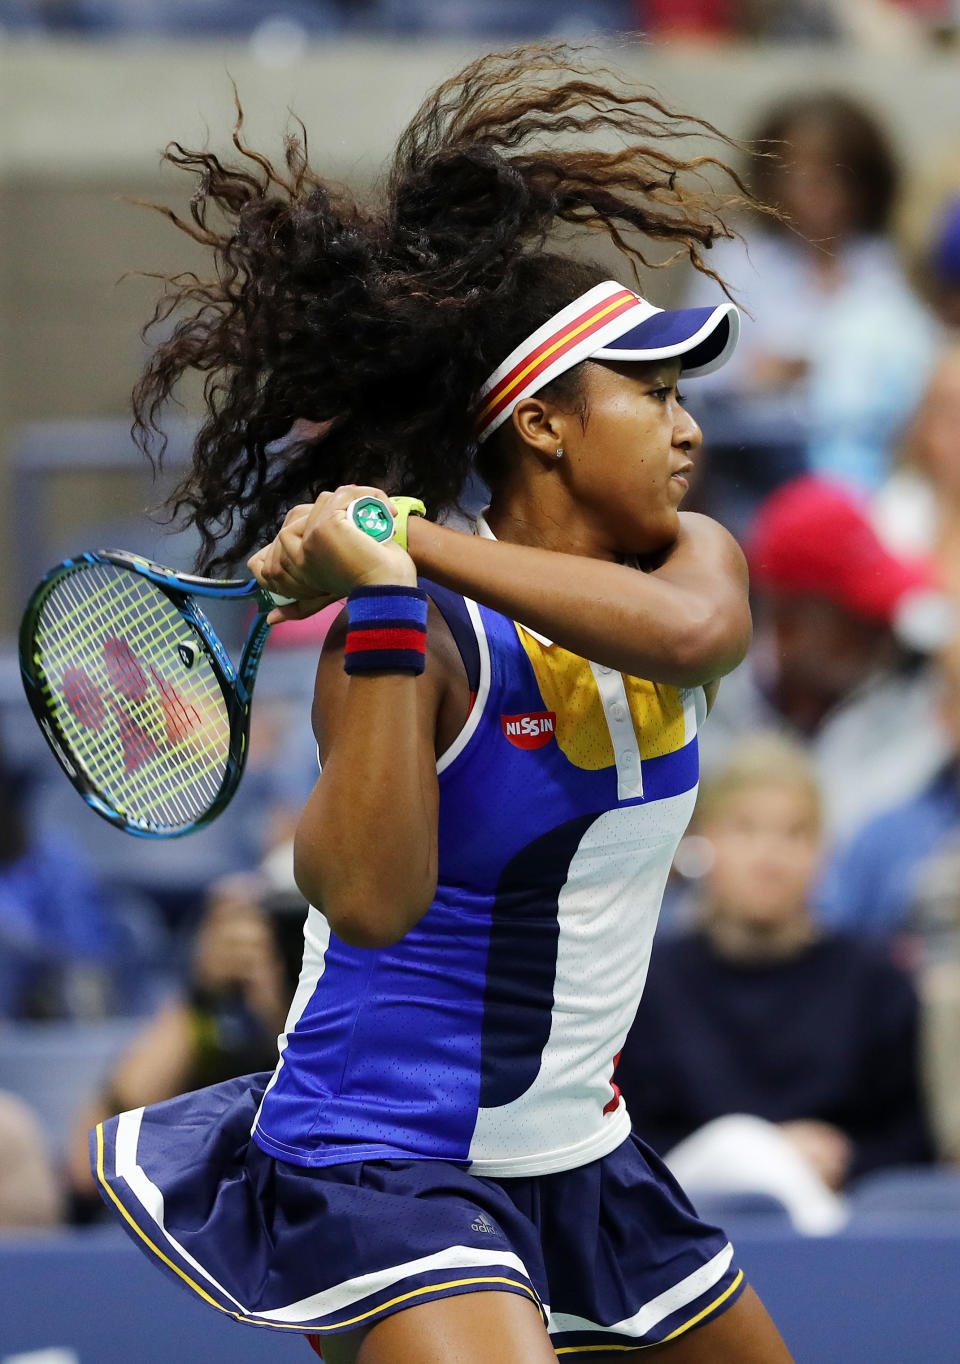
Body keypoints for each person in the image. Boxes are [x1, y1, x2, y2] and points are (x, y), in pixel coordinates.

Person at [90, 45, 792, 1363]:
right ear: (543, 426)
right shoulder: (414, 637)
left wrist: (408, 537)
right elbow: (365, 899)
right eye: (650, 392)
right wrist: (396, 599)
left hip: (582, 1162)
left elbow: (699, 638)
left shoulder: (691, 565)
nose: (688, 428)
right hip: (379, 1163)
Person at [615, 734, 933, 1235]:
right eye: (746, 830)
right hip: (682, 1217)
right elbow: (625, 1133)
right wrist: (767, 1151)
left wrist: (845, 1155)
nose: (769, 856)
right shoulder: (645, 979)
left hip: (844, 1214)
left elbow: (912, 1141)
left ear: (825, 852)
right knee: (738, 1144)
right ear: (705, 841)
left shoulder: (875, 980)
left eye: (795, 834)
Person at [684, 89, 937, 535]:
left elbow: (921, 366)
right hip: (751, 464)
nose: (817, 194)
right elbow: (692, 370)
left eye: (833, 177)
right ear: (771, 179)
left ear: (866, 185)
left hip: (871, 464)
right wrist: (762, 376)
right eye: (800, 175)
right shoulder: (739, 258)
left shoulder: (885, 265)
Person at [701, 474, 952, 846]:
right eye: (859, 617)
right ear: (789, 623)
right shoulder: (700, 711)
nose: (882, 633)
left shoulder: (920, 703)